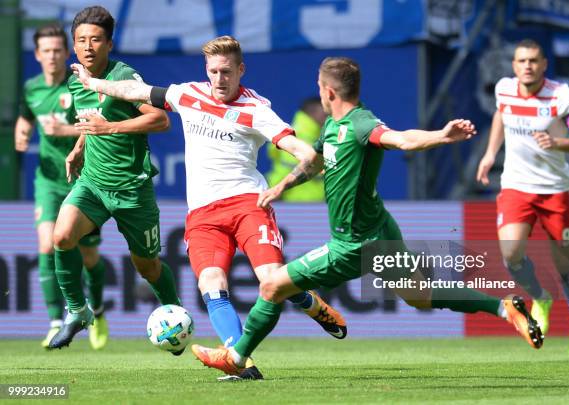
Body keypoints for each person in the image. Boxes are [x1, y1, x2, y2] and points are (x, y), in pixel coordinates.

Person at [188, 56, 544, 377]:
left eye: (318, 87)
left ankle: (236, 358)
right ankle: (503, 308)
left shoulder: (361, 124)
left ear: (328, 91)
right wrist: (282, 187)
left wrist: (441, 136)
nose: (318, 92)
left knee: (272, 285)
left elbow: (402, 140)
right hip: (380, 229)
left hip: (355, 243)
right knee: (420, 295)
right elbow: (314, 162)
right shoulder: (332, 125)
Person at [70, 35, 346, 379]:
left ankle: (311, 304)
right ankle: (239, 361)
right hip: (203, 213)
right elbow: (136, 92)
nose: (219, 79)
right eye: (213, 71)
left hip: (248, 204)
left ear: (241, 70)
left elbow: (304, 154)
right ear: (206, 70)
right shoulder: (189, 94)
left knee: (271, 282)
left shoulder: (257, 110)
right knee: (211, 284)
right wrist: (93, 82)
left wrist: (285, 184)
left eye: (227, 71)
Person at [48, 6, 181, 350]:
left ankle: (176, 317)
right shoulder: (76, 79)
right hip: (92, 183)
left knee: (148, 267)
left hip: (132, 189)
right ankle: (77, 311)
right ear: (74, 46)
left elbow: (161, 120)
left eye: (95, 40)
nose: (88, 47)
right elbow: (92, 119)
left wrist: (111, 128)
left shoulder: (125, 77)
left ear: (109, 44)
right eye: (81, 40)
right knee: (61, 236)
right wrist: (80, 145)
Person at [476, 39, 569, 355]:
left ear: (544, 64)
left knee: (566, 266)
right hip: (516, 185)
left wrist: (558, 143)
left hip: (554, 189)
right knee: (511, 253)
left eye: (533, 60)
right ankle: (541, 297)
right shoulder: (504, 89)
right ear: (514, 66)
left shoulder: (560, 97)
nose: (527, 66)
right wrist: (490, 153)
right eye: (521, 61)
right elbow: (501, 115)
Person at [14, 24, 109, 350]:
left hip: (82, 178)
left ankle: (96, 309)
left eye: (58, 50)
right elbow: (27, 115)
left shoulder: (77, 85)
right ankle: (57, 320)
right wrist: (22, 130)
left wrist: (64, 130)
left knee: (89, 256)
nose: (53, 56)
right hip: (47, 180)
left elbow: (94, 125)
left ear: (65, 53)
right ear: (38, 55)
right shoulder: (32, 88)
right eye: (47, 51)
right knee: (45, 244)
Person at [266, 97, 326, 201]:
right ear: (312, 113)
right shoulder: (296, 140)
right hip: (292, 207)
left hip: (315, 207)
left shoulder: (290, 134)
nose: (329, 117)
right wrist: (274, 194)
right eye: (325, 114)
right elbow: (283, 172)